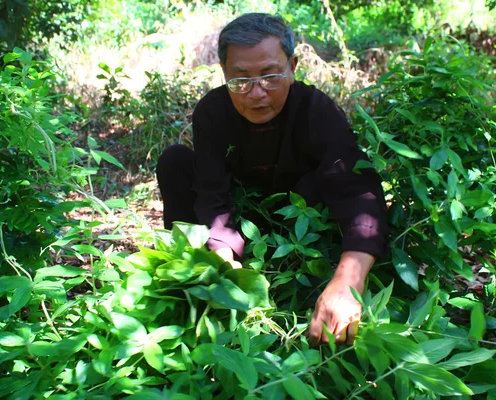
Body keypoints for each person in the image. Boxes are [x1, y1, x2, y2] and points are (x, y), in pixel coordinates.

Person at [156, 13, 388, 345]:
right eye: (241, 80)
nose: (256, 93)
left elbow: (359, 192)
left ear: (293, 65)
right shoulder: (212, 112)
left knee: (331, 178)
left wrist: (348, 280)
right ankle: (185, 274)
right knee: (175, 161)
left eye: (271, 76)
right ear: (224, 74)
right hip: (242, 220)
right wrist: (222, 254)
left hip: (299, 225)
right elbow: (211, 190)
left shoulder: (316, 110)